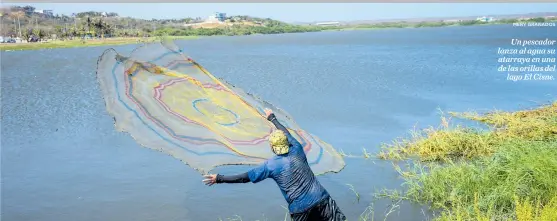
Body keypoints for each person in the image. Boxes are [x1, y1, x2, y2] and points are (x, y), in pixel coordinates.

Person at [202, 108, 346, 221]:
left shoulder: (271, 166)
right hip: (321, 198)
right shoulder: (297, 149)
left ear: (272, 147)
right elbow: (285, 131)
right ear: (286, 142)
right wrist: (272, 118)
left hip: (301, 209)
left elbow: (244, 177)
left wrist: (219, 178)